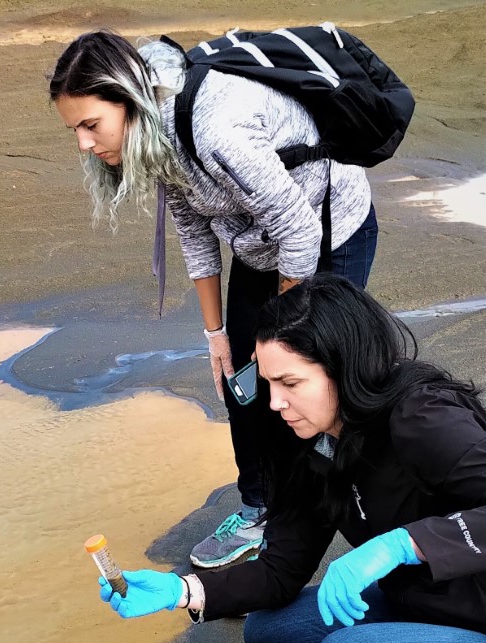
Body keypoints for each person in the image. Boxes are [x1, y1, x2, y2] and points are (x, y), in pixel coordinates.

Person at [98, 273, 486, 643]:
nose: (276, 402)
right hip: (427, 608)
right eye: (268, 383)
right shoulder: (317, 440)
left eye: (291, 382)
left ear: (343, 367)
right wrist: (184, 590)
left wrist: (402, 544)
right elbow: (280, 569)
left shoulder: (423, 416)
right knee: (273, 632)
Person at [49, 30, 379, 568]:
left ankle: (362, 503)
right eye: (75, 130)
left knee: (315, 373)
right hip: (257, 239)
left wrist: (279, 339)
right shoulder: (155, 135)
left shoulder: (215, 127)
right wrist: (217, 337)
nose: (84, 144)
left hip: (327, 226)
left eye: (91, 125)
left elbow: (297, 228)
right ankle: (258, 509)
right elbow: (195, 230)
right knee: (242, 384)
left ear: (130, 99)